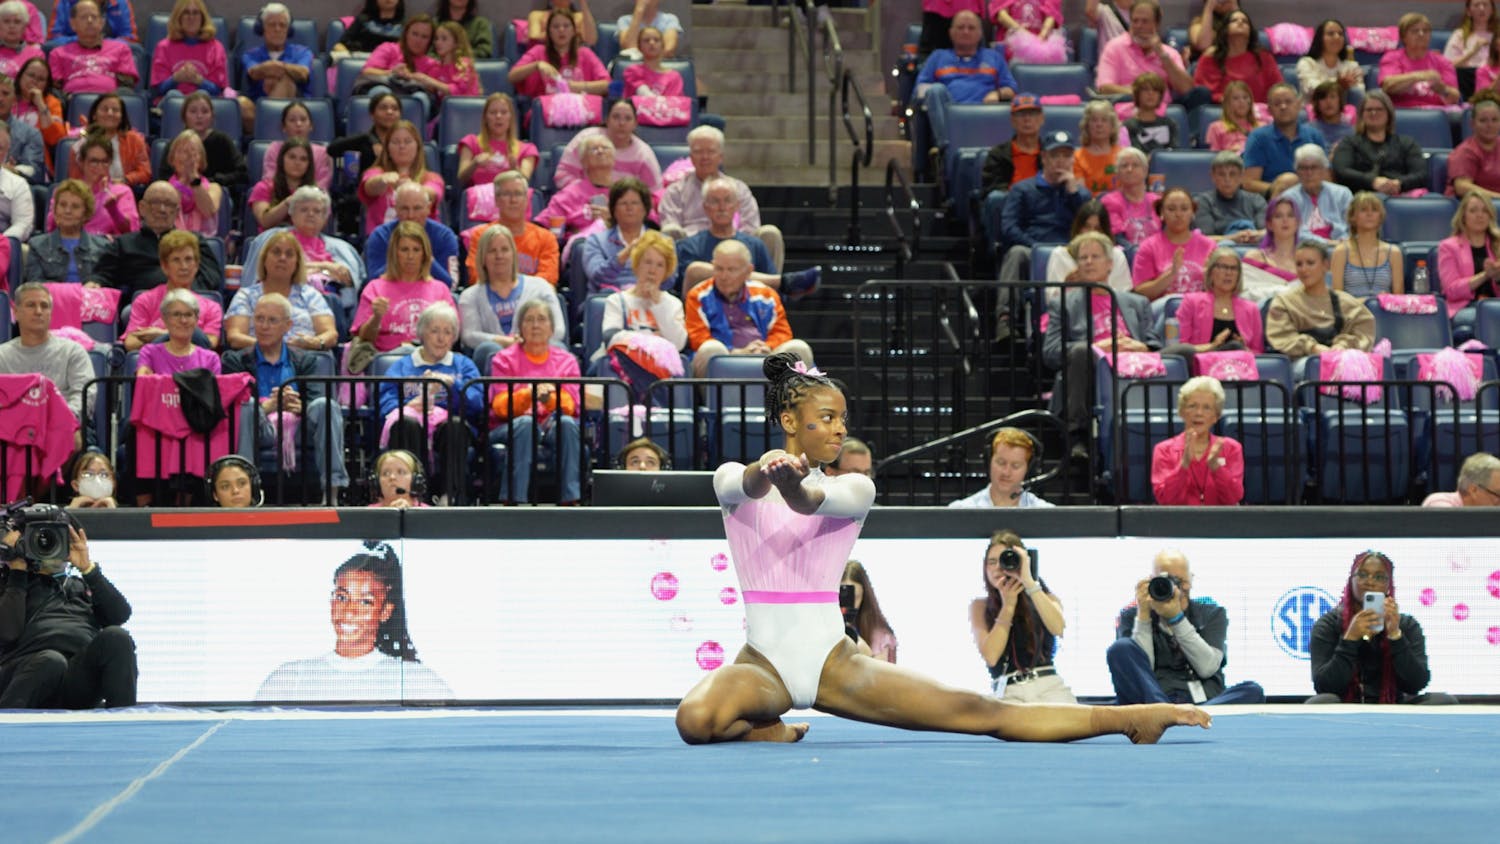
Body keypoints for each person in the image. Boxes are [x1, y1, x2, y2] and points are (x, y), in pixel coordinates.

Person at [675, 352, 1210, 745]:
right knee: (694, 721)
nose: (840, 430)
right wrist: (765, 473)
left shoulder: (854, 488)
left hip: (833, 663)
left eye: (843, 418)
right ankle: (767, 731)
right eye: (828, 417)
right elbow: (738, 485)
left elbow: (812, 499)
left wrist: (791, 483)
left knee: (982, 712)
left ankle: (1129, 717)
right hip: (762, 663)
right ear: (790, 422)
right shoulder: (733, 481)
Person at [254, 542, 452, 701]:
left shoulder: (416, 681)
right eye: (342, 597)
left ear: (385, 611)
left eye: (365, 602)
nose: (349, 611)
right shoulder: (290, 679)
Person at [223, 292, 347, 505]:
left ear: (287, 325)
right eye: (259, 319)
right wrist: (269, 406)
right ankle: (245, 490)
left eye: (272, 320)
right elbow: (230, 404)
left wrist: (297, 406)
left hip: (298, 428)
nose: (264, 326)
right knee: (247, 406)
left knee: (325, 406)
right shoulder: (236, 360)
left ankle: (332, 491)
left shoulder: (305, 360)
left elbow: (315, 399)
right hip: (258, 427)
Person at [0, 516, 135, 709]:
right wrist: (17, 572)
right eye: (41, 540)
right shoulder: (11, 585)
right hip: (25, 676)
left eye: (58, 539)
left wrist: (88, 570)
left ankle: (124, 727)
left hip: (76, 679)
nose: (51, 548)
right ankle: (7, 727)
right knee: (51, 661)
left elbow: (120, 615)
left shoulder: (83, 585)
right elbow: (6, 633)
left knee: (117, 637)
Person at [1107, 550, 1264, 705]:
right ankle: (1166, 715)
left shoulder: (1212, 613)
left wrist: (1177, 619)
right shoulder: (1132, 616)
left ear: (1191, 580)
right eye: (1166, 581)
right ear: (1151, 582)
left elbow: (1207, 668)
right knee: (1121, 648)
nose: (1175, 589)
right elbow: (1141, 671)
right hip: (1154, 702)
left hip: (1204, 702)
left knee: (1252, 691)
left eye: (1180, 581)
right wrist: (1143, 616)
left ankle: (1182, 719)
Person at [1045, 231, 1160, 439]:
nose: (1088, 262)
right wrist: (1097, 347)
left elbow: (1153, 342)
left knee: (1183, 352)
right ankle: (1077, 436)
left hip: (1134, 363)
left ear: (1109, 264)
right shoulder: (1063, 304)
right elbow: (1051, 353)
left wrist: (1142, 347)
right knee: (1081, 351)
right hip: (1091, 368)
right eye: (1083, 258)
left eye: (1095, 256)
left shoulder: (1137, 302)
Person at [1307, 551, 1455, 704]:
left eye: (1379, 577)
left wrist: (1395, 636)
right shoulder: (1328, 624)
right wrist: (1349, 640)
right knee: (1321, 701)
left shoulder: (1406, 625)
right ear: (1351, 580)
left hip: (1394, 707)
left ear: (1388, 585)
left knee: (1443, 700)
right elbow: (1324, 686)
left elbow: (1415, 684)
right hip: (1345, 708)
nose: (1370, 582)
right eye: (1362, 575)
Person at [380, 302, 480, 505]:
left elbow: (478, 404)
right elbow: (385, 402)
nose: (441, 338)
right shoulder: (402, 366)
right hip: (413, 422)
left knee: (455, 425)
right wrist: (408, 405)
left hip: (448, 424)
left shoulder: (463, 365)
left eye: (448, 332)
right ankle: (414, 496)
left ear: (454, 337)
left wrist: (453, 386)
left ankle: (449, 497)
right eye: (435, 331)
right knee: (406, 423)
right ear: (422, 333)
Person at [489, 298, 583, 505]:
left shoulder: (566, 361)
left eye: (541, 319)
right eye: (529, 320)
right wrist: (528, 394)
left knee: (567, 424)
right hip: (510, 425)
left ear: (551, 328)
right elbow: (500, 406)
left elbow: (571, 406)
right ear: (520, 327)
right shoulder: (503, 359)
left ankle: (571, 500)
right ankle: (514, 501)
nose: (535, 325)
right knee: (525, 424)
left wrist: (549, 398)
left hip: (552, 422)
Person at [657, 126, 786, 277]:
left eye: (711, 151)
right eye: (698, 151)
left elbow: (750, 227)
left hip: (737, 245)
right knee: (669, 232)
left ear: (721, 156)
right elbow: (670, 230)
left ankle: (773, 290)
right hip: (695, 251)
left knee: (770, 233)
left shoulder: (739, 189)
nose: (705, 157)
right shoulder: (675, 191)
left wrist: (729, 244)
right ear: (691, 157)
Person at [683, 239, 813, 378]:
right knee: (710, 349)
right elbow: (698, 338)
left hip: (764, 356)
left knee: (799, 348)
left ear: (748, 271)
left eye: (731, 269)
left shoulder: (766, 295)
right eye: (719, 268)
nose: (724, 276)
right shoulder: (698, 295)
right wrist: (736, 352)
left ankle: (787, 399)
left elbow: (781, 332)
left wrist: (766, 347)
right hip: (724, 357)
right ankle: (720, 399)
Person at [969, 531, 1070, 702]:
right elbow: (991, 656)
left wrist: (1029, 582)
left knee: (1072, 725)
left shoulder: (1044, 596)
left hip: (1049, 685)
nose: (998, 568)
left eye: (1005, 560)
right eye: (991, 562)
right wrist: (1008, 605)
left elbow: (1058, 628)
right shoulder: (980, 606)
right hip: (1008, 690)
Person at [675, 176, 818, 294]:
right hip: (702, 314)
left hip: (749, 315)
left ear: (737, 206)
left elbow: (773, 294)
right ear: (705, 207)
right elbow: (684, 286)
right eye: (715, 201)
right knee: (695, 270)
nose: (722, 207)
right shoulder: (687, 246)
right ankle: (784, 282)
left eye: (728, 200)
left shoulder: (755, 245)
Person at [998, 130, 1089, 292]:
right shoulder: (1022, 189)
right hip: (1032, 247)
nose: (1061, 161)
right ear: (1044, 158)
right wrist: (1036, 247)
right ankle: (1006, 314)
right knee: (1016, 253)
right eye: (1055, 156)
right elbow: (1009, 227)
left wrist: (1073, 194)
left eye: (1067, 156)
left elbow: (1089, 225)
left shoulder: (1081, 194)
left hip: (1069, 250)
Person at [239, 186, 363, 305]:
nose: (310, 214)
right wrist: (326, 267)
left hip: (328, 305)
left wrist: (304, 270)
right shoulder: (273, 239)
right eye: (304, 209)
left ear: (325, 218)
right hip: (280, 301)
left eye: (317, 211)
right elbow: (271, 272)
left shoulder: (342, 248)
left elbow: (347, 280)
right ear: (292, 215)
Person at [92, 180, 222, 294]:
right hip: (141, 310)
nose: (162, 209)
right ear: (142, 208)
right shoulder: (123, 244)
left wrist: (183, 292)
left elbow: (212, 275)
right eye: (156, 203)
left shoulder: (193, 240)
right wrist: (96, 283)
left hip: (188, 304)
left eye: (169, 204)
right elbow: (102, 276)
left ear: (176, 212)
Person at [1265, 240, 1376, 368]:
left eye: (1310, 263)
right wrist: (1313, 348)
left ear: (1325, 265)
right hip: (1302, 363)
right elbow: (1283, 337)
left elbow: (1364, 332)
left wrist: (1342, 346)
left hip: (1343, 360)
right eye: (1299, 264)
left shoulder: (1347, 302)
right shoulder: (1284, 302)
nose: (1304, 269)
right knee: (1317, 366)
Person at [224, 231, 337, 353]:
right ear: (264, 259)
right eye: (276, 252)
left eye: (289, 254)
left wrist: (314, 342)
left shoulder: (310, 295)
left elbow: (330, 334)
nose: (282, 258)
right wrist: (275, 347)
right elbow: (235, 337)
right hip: (257, 359)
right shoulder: (246, 296)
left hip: (304, 359)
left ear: (297, 263)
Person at [457, 224, 565, 352]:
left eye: (504, 250)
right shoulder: (470, 296)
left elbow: (558, 330)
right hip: (493, 358)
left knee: (558, 348)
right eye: (492, 251)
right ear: (483, 258)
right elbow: (469, 336)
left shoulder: (540, 287)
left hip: (537, 353)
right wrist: (504, 342)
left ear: (514, 254)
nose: (499, 256)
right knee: (487, 349)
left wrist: (528, 342)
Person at [353, 221, 453, 354]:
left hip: (430, 357)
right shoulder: (375, 288)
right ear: (395, 253)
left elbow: (451, 335)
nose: (410, 256)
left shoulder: (440, 290)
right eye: (404, 250)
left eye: (416, 250)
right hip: (388, 359)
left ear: (425, 254)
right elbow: (363, 339)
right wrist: (376, 318)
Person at [0, 282, 94, 423]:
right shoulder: (2, 355)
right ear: (16, 312)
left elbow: (85, 396)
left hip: (65, 426)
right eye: (31, 305)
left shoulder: (73, 351)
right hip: (12, 430)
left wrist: (59, 422)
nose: (38, 311)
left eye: (44, 306)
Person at [592, 229, 686, 368]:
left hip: (659, 370)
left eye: (660, 265)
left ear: (667, 271)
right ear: (637, 265)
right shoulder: (617, 300)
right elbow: (610, 337)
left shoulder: (673, 304)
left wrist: (658, 305)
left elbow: (678, 344)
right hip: (622, 367)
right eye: (648, 262)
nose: (652, 270)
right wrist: (650, 342)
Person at [1093, 0, 1206, 110]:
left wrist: (1161, 55)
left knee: (1201, 95)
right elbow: (1105, 88)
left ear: (1156, 24)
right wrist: (1143, 94)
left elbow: (1187, 89)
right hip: (1127, 110)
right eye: (1135, 21)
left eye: (1145, 21)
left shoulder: (1169, 53)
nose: (1139, 26)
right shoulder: (1114, 47)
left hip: (1162, 115)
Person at [1149, 376, 1244, 505]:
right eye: (1192, 406)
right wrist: (1184, 464)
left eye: (1207, 407)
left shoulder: (1231, 448)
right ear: (1182, 412)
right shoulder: (1164, 450)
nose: (1199, 413)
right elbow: (1165, 499)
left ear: (1216, 416)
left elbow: (1233, 498)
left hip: (1220, 522)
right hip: (1179, 522)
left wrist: (1216, 468)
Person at [124, 231, 221, 352]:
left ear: (196, 265)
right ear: (165, 266)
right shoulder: (146, 300)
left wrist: (163, 335)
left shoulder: (212, 308)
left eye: (189, 259)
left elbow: (210, 342)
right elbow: (131, 343)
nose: (184, 266)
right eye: (176, 260)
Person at [462, 170, 558, 287]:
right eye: (507, 194)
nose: (513, 200)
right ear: (497, 200)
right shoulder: (481, 235)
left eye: (518, 194)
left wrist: (518, 291)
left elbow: (549, 278)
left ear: (527, 200)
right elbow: (476, 275)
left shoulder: (546, 238)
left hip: (533, 299)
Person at [1330, 91, 1428, 198]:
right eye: (1369, 109)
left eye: (1379, 109)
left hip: (1400, 196)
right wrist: (1372, 181)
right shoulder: (1349, 142)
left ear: (1389, 114)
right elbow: (1342, 171)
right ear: (1362, 114)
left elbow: (1421, 174)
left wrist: (1399, 183)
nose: (1373, 113)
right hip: (1360, 199)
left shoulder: (1407, 143)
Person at [1169, 247, 1264, 357]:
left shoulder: (1251, 309)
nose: (1229, 273)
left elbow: (1258, 352)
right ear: (1211, 272)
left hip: (1239, 368)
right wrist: (1212, 346)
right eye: (1223, 267)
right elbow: (1180, 348)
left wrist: (1245, 349)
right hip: (1200, 367)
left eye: (1234, 268)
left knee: (1235, 347)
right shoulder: (1191, 302)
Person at [358, 120, 444, 238]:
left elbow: (433, 194)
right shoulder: (375, 172)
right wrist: (382, 180)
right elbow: (369, 187)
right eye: (395, 142)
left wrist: (411, 189)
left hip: (422, 243)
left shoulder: (431, 177)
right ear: (387, 148)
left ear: (418, 147)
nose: (402, 146)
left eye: (407, 141)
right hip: (383, 242)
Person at [364, 182, 459, 289]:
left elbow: (450, 285)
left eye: (417, 208)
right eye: (405, 208)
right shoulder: (380, 236)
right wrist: (399, 260)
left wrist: (426, 259)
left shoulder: (444, 236)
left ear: (428, 208)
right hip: (391, 296)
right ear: (396, 208)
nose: (411, 215)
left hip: (432, 299)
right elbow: (374, 283)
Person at [555, 99, 662, 194]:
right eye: (616, 117)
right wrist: (589, 193)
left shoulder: (643, 153)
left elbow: (655, 194)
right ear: (607, 120)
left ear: (635, 124)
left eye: (628, 118)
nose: (621, 123)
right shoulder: (586, 139)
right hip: (581, 202)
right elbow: (562, 175)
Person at [913, 10, 1017, 105]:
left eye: (971, 28)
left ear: (980, 33)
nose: (966, 32)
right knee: (936, 89)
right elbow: (919, 90)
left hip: (985, 113)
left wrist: (998, 94)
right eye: (960, 27)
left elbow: (1012, 89)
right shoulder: (937, 57)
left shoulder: (994, 57)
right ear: (951, 33)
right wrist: (938, 95)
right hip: (947, 115)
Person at [1131, 187, 1217, 300]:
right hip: (1163, 309)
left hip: (1200, 308)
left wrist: (1208, 278)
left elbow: (1221, 292)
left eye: (1184, 209)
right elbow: (1140, 293)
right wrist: (1172, 274)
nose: (1178, 214)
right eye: (1171, 209)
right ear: (1161, 213)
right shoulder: (1148, 247)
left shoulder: (1209, 246)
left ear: (1193, 212)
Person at [237, 2, 313, 131]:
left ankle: (268, 132)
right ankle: (272, 131)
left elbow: (303, 73)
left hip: (295, 114)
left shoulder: (302, 52)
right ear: (262, 28)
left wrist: (275, 67)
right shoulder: (251, 54)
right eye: (272, 25)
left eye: (282, 25)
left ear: (288, 30)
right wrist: (287, 69)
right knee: (240, 103)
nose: (277, 29)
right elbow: (254, 72)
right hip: (258, 112)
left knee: (287, 82)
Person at [1242, 83, 1327, 196]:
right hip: (1272, 201)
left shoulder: (1314, 135)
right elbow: (1249, 183)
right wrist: (1283, 188)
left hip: (1311, 198)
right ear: (1269, 110)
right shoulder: (1258, 137)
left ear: (1298, 105)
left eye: (1288, 102)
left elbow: (1326, 178)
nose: (1283, 107)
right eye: (1277, 103)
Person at [508, 8, 608, 100]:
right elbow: (512, 76)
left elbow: (607, 85)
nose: (561, 30)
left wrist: (577, 87)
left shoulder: (585, 53)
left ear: (573, 31)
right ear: (549, 32)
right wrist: (536, 65)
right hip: (546, 113)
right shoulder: (538, 51)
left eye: (566, 26)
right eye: (556, 26)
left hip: (580, 112)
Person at [579, 176, 652, 296]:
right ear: (613, 209)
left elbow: (669, 279)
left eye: (635, 203)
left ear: (645, 208)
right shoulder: (595, 241)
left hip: (649, 298)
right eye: (623, 203)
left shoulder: (661, 241)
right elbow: (597, 276)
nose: (629, 208)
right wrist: (623, 256)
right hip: (608, 299)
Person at [47, 0, 137, 96]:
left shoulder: (121, 49)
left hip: (110, 104)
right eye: (84, 17)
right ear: (72, 24)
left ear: (102, 23)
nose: (89, 20)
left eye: (94, 17)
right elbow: (55, 88)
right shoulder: (58, 53)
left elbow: (126, 86)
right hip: (71, 102)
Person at [949, 427, 1053, 508]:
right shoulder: (961, 510)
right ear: (989, 461)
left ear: (1029, 469)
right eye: (1001, 463)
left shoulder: (1047, 515)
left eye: (1015, 466)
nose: (1006, 472)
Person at [25, 179, 105, 283]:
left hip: (89, 299)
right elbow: (35, 285)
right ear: (55, 209)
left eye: (75, 207)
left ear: (86, 213)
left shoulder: (103, 247)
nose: (67, 211)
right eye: (62, 205)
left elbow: (105, 283)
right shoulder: (37, 246)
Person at [147, 0, 228, 104]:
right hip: (171, 105)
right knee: (174, 96)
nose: (191, 18)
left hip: (204, 106)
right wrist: (176, 78)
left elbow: (218, 91)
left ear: (202, 18)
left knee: (202, 96)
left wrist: (198, 80)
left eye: (195, 13)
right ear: (178, 17)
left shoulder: (216, 48)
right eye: (186, 13)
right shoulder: (164, 47)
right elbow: (158, 91)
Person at [355, 15, 439, 114]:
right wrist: (392, 72)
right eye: (415, 34)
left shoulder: (432, 63)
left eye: (424, 37)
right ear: (406, 33)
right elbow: (367, 71)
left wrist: (412, 77)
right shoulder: (388, 48)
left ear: (430, 41)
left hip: (413, 94)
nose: (418, 40)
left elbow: (433, 89)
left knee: (421, 98)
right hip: (383, 87)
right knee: (381, 93)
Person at [1438, 191, 1500, 324]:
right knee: (1483, 318)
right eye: (1473, 211)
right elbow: (1451, 291)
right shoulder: (1448, 247)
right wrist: (1485, 275)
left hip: (1496, 305)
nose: (1480, 215)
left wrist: (1498, 277)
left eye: (1485, 211)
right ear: (1463, 216)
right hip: (1465, 308)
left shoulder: (1498, 244)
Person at [1044, 200, 1132, 292]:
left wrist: (1100, 290)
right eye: (1086, 227)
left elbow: (1125, 295)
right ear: (1078, 228)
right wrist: (1066, 286)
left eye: (1097, 228)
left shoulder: (1116, 255)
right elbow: (1051, 300)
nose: (1091, 232)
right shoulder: (1060, 255)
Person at [1192, 8, 1278, 103]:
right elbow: (1203, 92)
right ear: (1224, 29)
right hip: (1223, 109)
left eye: (1245, 21)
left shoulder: (1264, 57)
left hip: (1261, 111)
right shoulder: (1212, 57)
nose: (1240, 22)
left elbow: (1277, 87)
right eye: (1234, 21)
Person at [456, 92, 538, 188]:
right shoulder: (471, 142)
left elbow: (525, 183)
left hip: (511, 200)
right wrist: (474, 164)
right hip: (480, 198)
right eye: (493, 112)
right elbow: (461, 178)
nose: (498, 116)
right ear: (485, 118)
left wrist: (515, 169)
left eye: (504, 112)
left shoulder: (527, 149)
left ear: (511, 117)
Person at [1380, 13, 1462, 108]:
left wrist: (1443, 89)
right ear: (1403, 37)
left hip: (1435, 112)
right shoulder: (1392, 58)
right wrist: (1420, 76)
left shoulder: (1442, 61)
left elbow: (1456, 98)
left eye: (1425, 31)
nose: (1421, 34)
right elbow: (1388, 86)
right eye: (1415, 31)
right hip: (1402, 112)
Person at [1331, 192, 1405, 298]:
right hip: (1352, 312)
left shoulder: (1394, 253)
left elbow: (1399, 297)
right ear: (1353, 217)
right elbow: (1337, 297)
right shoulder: (1341, 251)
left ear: (1380, 217)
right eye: (1363, 210)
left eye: (1374, 210)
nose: (1369, 214)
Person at [131, 287, 221, 373]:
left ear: (196, 319)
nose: (183, 320)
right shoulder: (149, 353)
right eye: (176, 314)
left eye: (189, 315)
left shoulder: (211, 359)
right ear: (165, 319)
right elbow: (144, 386)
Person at [1281, 144, 1353, 247]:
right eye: (1303, 168)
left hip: (1341, 248)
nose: (1309, 173)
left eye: (1314, 167)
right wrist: (1327, 243)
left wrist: (1343, 243)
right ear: (1297, 171)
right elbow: (1293, 231)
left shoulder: (1342, 194)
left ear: (1324, 170)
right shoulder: (1288, 198)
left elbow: (1354, 226)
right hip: (1302, 250)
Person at [172, 90, 246, 191]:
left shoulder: (222, 141)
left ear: (212, 116)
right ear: (184, 116)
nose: (199, 116)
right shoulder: (177, 143)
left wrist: (216, 180)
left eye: (205, 111)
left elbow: (241, 173)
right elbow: (164, 174)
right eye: (193, 111)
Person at [259, 100, 333, 193]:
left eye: (303, 119)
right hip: (279, 198)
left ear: (311, 126)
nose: (298, 124)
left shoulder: (322, 153)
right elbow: (269, 181)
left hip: (312, 201)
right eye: (292, 120)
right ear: (283, 127)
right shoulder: (274, 149)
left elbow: (322, 186)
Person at [1193, 150, 1265, 242]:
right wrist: (1232, 238)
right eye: (1221, 174)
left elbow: (1267, 232)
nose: (1227, 179)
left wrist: (1253, 235)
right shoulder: (1203, 202)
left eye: (1233, 174)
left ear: (1241, 176)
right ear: (1213, 176)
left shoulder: (1256, 200)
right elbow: (1203, 239)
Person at [161, 129, 223, 238]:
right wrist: (183, 181)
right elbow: (166, 216)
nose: (187, 158)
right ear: (172, 158)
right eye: (182, 151)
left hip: (203, 243)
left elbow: (208, 211)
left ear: (201, 159)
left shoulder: (214, 188)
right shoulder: (163, 189)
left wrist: (193, 179)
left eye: (193, 152)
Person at [980, 92, 1043, 196]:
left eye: (1032, 113)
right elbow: (991, 188)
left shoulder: (1050, 152)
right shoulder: (998, 154)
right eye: (1021, 114)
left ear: (1042, 119)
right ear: (1012, 120)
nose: (1027, 119)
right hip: (1008, 205)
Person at [12, 58, 66, 175]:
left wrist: (40, 104)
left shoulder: (52, 103)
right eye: (31, 75)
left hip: (36, 163)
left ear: (46, 84)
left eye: (41, 79)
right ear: (21, 75)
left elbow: (55, 139)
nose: (34, 81)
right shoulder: (6, 98)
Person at [249, 137, 316, 231]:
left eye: (303, 159)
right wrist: (289, 202)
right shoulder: (263, 187)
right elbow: (265, 222)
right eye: (292, 157)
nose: (297, 163)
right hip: (271, 241)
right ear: (282, 159)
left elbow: (318, 226)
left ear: (309, 164)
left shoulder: (316, 192)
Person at [839, 560, 897, 663]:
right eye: (843, 597)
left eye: (855, 597)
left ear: (864, 596)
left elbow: (879, 676)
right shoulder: (825, 629)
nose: (849, 604)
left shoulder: (881, 637)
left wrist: (864, 652)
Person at [1447, 91, 1500, 200]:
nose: (1489, 125)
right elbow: (1462, 187)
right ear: (1472, 124)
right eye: (1483, 120)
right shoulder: (1465, 151)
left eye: (1494, 120)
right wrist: (1497, 198)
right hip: (1472, 208)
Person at [1099, 147, 1157, 247]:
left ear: (1145, 171)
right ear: (1117, 173)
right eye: (1124, 166)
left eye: (1135, 165)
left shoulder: (1157, 201)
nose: (1129, 169)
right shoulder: (1110, 201)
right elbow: (1118, 239)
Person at [1297, 18, 1363, 98]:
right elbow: (1310, 89)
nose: (1337, 37)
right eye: (1331, 34)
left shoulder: (1352, 66)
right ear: (1320, 39)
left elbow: (1360, 92)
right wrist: (1337, 84)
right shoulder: (1307, 63)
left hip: (1344, 109)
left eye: (1340, 34)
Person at [0, 71, 45, 187]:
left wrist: (12, 170)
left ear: (14, 100)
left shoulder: (30, 134)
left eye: (5, 94)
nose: (0, 99)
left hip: (13, 189)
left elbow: (33, 171)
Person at [1243, 197, 1302, 285]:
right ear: (1269, 224)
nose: (1285, 220)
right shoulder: (1255, 257)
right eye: (1278, 216)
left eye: (1290, 215)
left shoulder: (1306, 261)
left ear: (1298, 223)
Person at [1448, 0, 1497, 99]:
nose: (1482, 8)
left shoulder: (1498, 35)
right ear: (1468, 11)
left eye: (1485, 5)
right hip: (1468, 78)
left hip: (1494, 76)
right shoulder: (1459, 35)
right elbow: (1448, 66)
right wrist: (1472, 52)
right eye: (1476, 5)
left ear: (1492, 10)